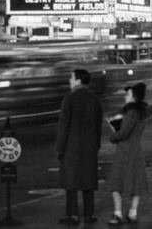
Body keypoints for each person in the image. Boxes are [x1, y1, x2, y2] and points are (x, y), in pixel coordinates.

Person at [56, 69, 103, 225]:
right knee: (88, 180)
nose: (69, 81)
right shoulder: (94, 100)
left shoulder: (69, 99)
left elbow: (64, 126)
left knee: (71, 181)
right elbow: (98, 126)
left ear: (78, 81)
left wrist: (60, 148)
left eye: (71, 78)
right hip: (89, 146)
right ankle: (88, 214)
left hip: (72, 146)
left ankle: (73, 214)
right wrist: (96, 144)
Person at [106, 82, 150, 226]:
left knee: (117, 182)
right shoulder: (142, 113)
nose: (125, 96)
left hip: (125, 150)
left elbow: (124, 133)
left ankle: (118, 213)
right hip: (136, 150)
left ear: (134, 97)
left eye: (128, 94)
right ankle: (132, 212)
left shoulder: (131, 113)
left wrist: (113, 134)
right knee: (135, 182)